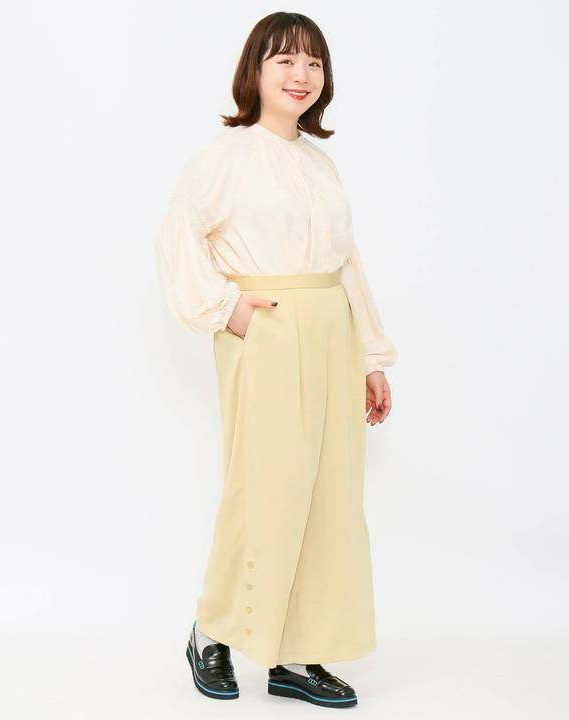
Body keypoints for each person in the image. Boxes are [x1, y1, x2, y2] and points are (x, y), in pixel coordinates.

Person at [155, 11, 397, 709]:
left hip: (331, 330)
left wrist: (370, 357)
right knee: (264, 486)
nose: (301, 75)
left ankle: (296, 653)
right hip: (264, 329)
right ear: (255, 71)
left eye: (314, 63)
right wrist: (225, 308)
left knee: (328, 494)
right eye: (285, 60)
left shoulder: (320, 163)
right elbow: (177, 236)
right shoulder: (226, 156)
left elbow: (347, 263)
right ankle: (213, 631)